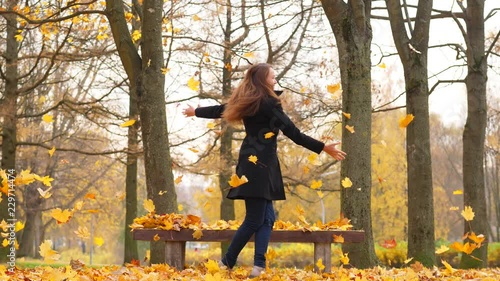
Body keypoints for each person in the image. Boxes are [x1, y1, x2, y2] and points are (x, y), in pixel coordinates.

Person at [183, 63, 346, 278]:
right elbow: (294, 134)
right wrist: (323, 147)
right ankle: (227, 262)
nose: (275, 81)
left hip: (253, 163)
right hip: (261, 166)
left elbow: (222, 109)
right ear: (262, 80)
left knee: (267, 218)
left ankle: (258, 266)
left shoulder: (248, 101)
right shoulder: (269, 105)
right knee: (254, 218)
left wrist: (196, 112)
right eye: (272, 78)